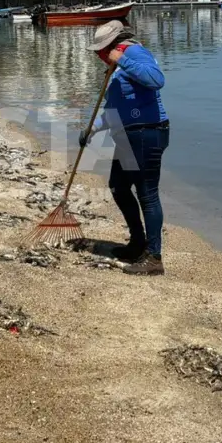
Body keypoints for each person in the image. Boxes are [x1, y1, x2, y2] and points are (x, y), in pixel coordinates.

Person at [79, 20, 169, 275]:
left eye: (100, 50)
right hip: (128, 136)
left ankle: (154, 257)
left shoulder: (133, 53)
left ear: (111, 45)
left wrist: (123, 60)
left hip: (148, 132)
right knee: (118, 187)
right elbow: (113, 112)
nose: (98, 55)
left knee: (147, 194)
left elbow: (157, 79)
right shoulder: (115, 68)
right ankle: (138, 242)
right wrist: (91, 130)